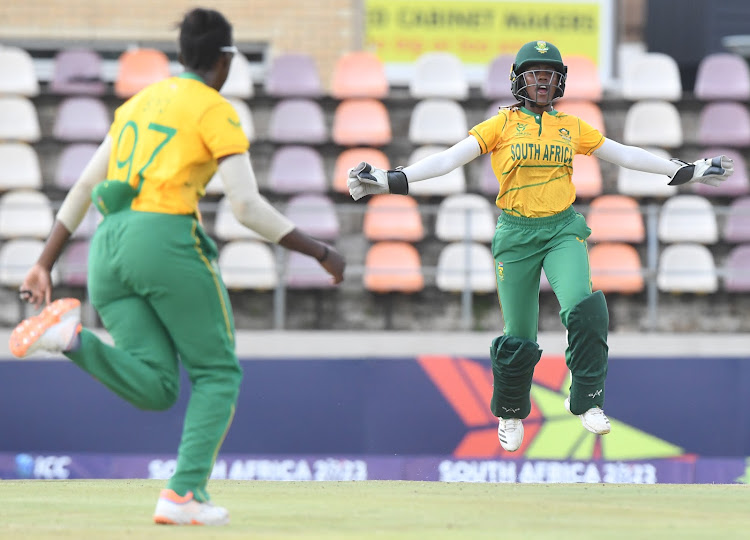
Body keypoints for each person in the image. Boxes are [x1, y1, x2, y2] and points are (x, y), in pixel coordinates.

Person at [9, 7, 345, 526]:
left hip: (106, 245)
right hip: (162, 239)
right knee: (217, 373)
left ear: (183, 54)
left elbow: (82, 187)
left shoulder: (138, 104)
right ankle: (184, 493)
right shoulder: (214, 107)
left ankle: (71, 338)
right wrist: (319, 251)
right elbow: (246, 206)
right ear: (225, 59)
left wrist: (43, 263)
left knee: (159, 386)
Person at [348, 40, 732, 453]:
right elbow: (449, 159)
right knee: (519, 335)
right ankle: (511, 411)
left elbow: (625, 154)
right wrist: (392, 180)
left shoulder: (571, 126)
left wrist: (684, 171)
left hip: (562, 229)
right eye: (534, 75)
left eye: (549, 75)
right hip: (515, 235)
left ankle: (586, 399)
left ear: (559, 81)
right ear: (519, 80)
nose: (542, 82)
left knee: (584, 309)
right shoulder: (500, 125)